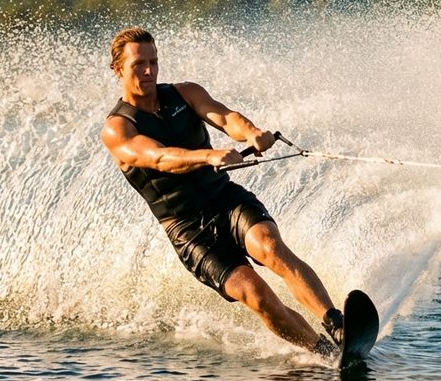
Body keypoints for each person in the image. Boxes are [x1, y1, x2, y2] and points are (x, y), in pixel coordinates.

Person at [100, 27, 343, 358]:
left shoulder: (185, 94)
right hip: (187, 229)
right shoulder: (118, 128)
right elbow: (158, 157)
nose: (149, 71)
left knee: (270, 248)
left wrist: (252, 133)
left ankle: (337, 323)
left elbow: (226, 117)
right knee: (257, 296)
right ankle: (324, 352)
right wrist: (208, 155)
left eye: (154, 62)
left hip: (224, 199)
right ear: (118, 70)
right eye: (138, 64)